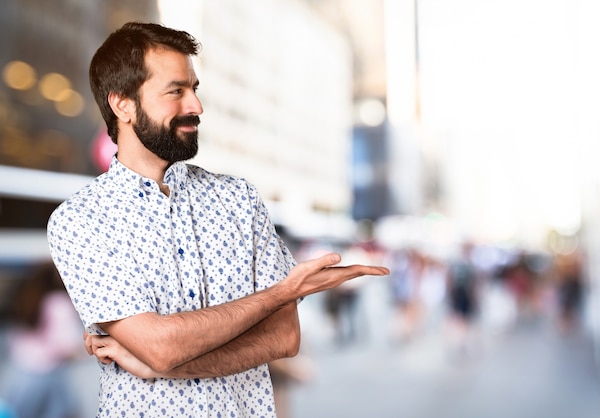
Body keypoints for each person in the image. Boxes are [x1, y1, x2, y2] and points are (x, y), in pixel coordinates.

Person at [46, 22, 389, 417]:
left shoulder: (239, 199)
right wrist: (278, 294)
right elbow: (161, 347)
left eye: (194, 89)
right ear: (122, 103)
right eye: (176, 91)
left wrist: (163, 366)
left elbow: (283, 338)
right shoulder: (80, 220)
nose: (195, 106)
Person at [0, 261, 83, 418]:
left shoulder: (26, 298)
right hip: (46, 374)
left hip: (19, 371)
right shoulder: (58, 302)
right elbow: (65, 344)